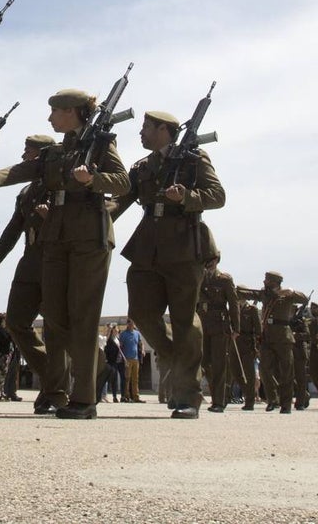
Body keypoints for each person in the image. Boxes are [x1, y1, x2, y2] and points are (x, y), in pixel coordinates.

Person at [0, 89, 130, 419]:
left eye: (55, 112)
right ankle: (56, 392)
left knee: (82, 315)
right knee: (54, 321)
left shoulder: (103, 144)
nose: (50, 119)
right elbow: (26, 170)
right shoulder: (58, 151)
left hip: (88, 235)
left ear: (73, 112)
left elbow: (122, 183)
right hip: (57, 236)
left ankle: (84, 399)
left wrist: (94, 179)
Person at [113, 110, 225, 420]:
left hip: (184, 246)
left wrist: (186, 196)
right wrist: (93, 220)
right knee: (140, 312)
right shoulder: (143, 167)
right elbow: (118, 201)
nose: (141, 133)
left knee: (184, 321)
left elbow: (217, 195)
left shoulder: (194, 159)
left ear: (165, 130)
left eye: (147, 128)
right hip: (147, 246)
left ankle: (188, 395)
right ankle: (174, 355)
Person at [0, 134, 71, 414]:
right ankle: (54, 380)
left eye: (30, 152)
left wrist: (55, 218)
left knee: (56, 328)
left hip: (55, 259)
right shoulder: (27, 192)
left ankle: (56, 388)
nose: (25, 156)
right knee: (16, 321)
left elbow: (83, 221)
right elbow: (13, 228)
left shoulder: (65, 185)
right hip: (30, 261)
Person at [244, 272, 308, 413]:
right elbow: (249, 294)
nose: (264, 281)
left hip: (283, 337)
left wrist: (291, 291)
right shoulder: (264, 294)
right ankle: (273, 400)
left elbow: (304, 299)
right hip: (267, 337)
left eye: (267, 280)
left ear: (274, 282)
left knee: (286, 371)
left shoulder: (286, 295)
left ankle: (286, 405)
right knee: (264, 370)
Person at [197, 254, 239, 412]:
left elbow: (233, 304)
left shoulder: (224, 279)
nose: (207, 262)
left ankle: (219, 402)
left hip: (219, 325)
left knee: (219, 363)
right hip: (203, 324)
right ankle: (220, 395)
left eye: (210, 259)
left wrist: (236, 328)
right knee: (205, 363)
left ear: (216, 260)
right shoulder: (199, 277)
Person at [231, 299, 261, 410]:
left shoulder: (252, 309)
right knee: (235, 371)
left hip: (248, 344)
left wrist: (256, 347)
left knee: (249, 374)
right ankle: (248, 392)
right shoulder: (234, 308)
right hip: (235, 343)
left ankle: (250, 401)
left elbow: (258, 329)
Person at [119, 318, 144, 402]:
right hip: (127, 359)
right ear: (127, 324)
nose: (131, 324)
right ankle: (127, 396)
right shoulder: (123, 334)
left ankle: (136, 397)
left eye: (133, 323)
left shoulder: (137, 333)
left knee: (135, 379)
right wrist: (122, 358)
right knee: (127, 378)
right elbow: (120, 346)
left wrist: (143, 350)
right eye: (129, 323)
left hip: (135, 358)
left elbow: (140, 343)